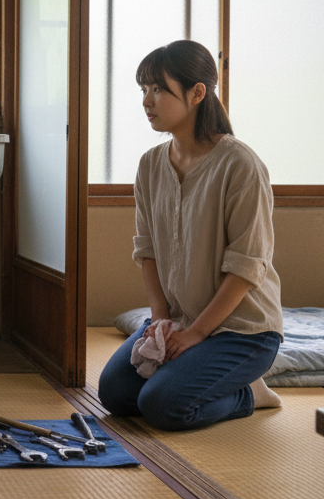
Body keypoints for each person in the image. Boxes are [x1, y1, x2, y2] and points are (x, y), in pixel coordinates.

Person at [97, 40, 284, 432]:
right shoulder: (150, 165)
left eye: (158, 89)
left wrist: (198, 333)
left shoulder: (240, 164)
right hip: (180, 320)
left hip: (242, 331)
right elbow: (146, 252)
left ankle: (250, 393)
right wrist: (162, 321)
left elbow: (247, 266)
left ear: (197, 93)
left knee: (163, 405)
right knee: (115, 394)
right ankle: (202, 373)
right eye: (143, 90)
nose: (147, 100)